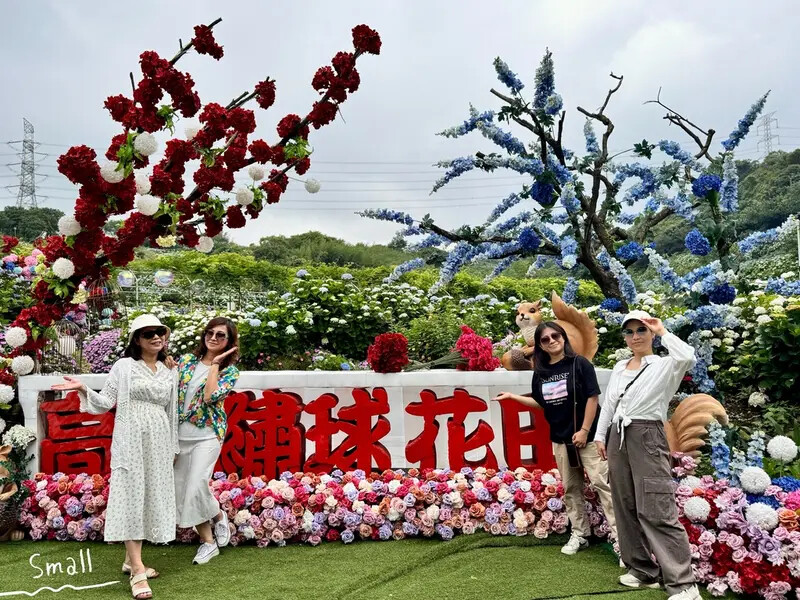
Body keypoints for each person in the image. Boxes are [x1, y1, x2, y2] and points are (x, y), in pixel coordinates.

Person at [52, 314, 178, 600]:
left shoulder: (170, 369)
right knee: (131, 494)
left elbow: (172, 412)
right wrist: (83, 388)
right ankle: (137, 570)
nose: (156, 337)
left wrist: (173, 447)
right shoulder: (124, 366)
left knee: (147, 496)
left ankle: (129, 560)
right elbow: (106, 402)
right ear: (136, 339)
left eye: (160, 332)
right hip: (131, 439)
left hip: (158, 440)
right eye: (149, 334)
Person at [594, 310, 701, 600]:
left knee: (655, 504)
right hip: (618, 433)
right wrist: (601, 436)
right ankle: (642, 570)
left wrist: (663, 330)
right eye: (629, 332)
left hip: (647, 434)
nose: (635, 336)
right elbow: (609, 404)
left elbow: (688, 357)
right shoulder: (619, 367)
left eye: (641, 330)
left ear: (651, 333)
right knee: (625, 502)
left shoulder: (664, 365)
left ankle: (684, 584)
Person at [494, 321, 618, 557]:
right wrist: (512, 397)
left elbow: (593, 398)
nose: (552, 341)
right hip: (561, 440)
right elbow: (542, 403)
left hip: (588, 438)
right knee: (571, 489)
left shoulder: (579, 363)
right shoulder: (541, 373)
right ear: (540, 345)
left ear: (563, 337)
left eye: (555, 336)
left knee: (604, 486)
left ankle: (622, 540)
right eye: (545, 339)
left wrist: (584, 430)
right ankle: (581, 534)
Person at [173, 317, 240, 565]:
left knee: (196, 484)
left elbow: (211, 396)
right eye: (210, 333)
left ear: (230, 342)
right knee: (183, 489)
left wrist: (214, 366)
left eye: (220, 335)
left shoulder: (230, 371)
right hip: (181, 435)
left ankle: (208, 544)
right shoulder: (186, 362)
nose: (213, 338)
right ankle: (218, 516)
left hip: (208, 435)